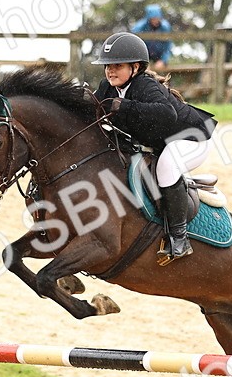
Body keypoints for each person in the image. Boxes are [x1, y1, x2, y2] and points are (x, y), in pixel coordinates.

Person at [92, 31, 215, 264]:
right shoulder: (107, 87)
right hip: (163, 140)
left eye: (117, 65)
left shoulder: (145, 86)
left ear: (135, 67)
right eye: (107, 66)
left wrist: (125, 106)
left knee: (166, 169)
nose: (110, 71)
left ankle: (179, 239)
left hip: (192, 138)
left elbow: (166, 114)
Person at [130, 4, 173, 72]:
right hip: (144, 54)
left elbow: (168, 47)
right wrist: (142, 61)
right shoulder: (139, 28)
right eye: (153, 18)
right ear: (149, 18)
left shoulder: (165, 27)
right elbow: (134, 46)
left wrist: (163, 61)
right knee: (142, 72)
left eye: (158, 18)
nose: (156, 20)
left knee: (164, 72)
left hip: (159, 56)